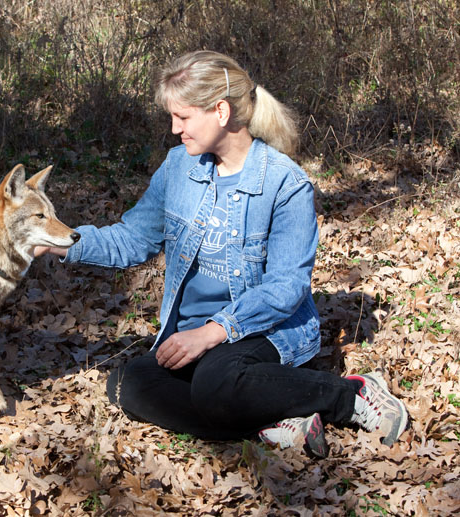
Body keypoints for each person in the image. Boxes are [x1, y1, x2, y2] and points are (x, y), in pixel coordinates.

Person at [35, 50, 408, 456]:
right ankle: (276, 426)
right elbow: (133, 238)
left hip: (259, 332)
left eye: (183, 117)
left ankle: (351, 395)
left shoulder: (285, 185)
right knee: (128, 383)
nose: (175, 129)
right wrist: (61, 243)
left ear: (221, 111)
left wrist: (212, 332)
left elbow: (286, 287)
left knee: (217, 382)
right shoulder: (179, 167)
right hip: (193, 337)